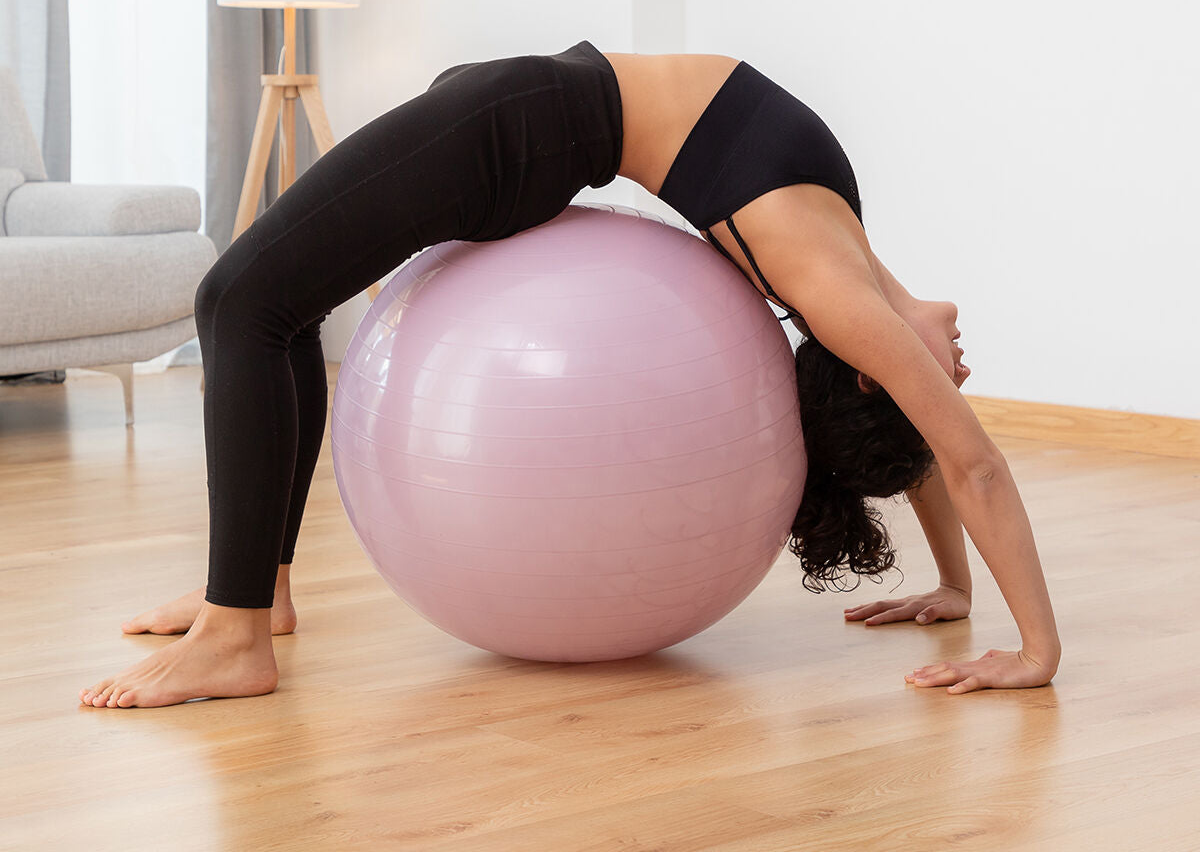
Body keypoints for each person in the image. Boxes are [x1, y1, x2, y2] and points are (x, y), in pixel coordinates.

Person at [80, 41, 1060, 708]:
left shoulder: (836, 289)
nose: (955, 373)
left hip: (521, 128)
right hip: (529, 113)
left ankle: (237, 634)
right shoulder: (858, 275)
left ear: (864, 376)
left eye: (931, 381)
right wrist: (951, 585)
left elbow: (968, 461)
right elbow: (934, 433)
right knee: (273, 303)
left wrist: (1037, 652)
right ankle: (261, 590)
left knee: (238, 305)